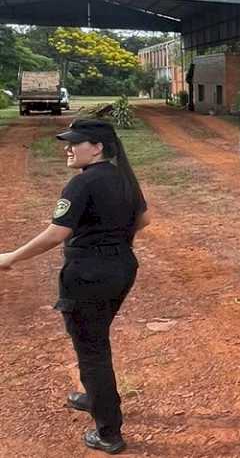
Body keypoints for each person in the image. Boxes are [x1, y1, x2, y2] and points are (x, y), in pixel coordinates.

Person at [0, 119, 149, 455]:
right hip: (122, 268)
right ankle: (95, 397)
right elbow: (144, 220)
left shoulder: (82, 184)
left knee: (92, 351)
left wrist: (12, 256)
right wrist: (113, 241)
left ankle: (109, 433)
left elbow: (56, 233)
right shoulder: (124, 177)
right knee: (96, 339)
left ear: (96, 147)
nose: (67, 148)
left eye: (75, 142)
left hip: (88, 275)